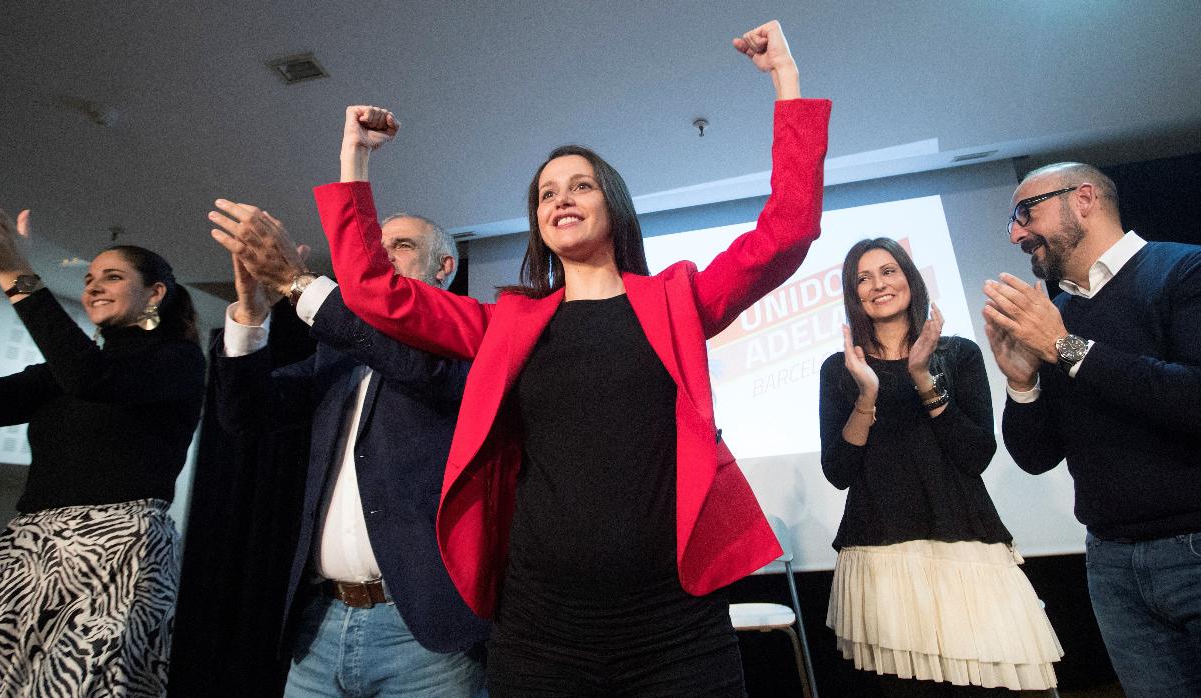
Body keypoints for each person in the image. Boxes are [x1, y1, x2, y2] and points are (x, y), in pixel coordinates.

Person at [215, 19, 826, 696]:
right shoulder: (508, 323)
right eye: (546, 192)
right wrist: (354, 160)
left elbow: (784, 234)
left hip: (673, 623)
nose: (562, 196)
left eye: (581, 185)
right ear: (538, 222)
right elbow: (374, 294)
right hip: (542, 629)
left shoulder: (678, 298)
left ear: (614, 207)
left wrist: (785, 80)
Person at [207, 202, 488, 696]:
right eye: (374, 250)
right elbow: (245, 415)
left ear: (444, 268)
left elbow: (414, 367)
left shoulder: (467, 340)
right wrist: (250, 315)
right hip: (320, 629)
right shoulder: (336, 356)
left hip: (423, 637)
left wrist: (298, 283)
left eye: (401, 246)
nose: (380, 259)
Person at [0, 197, 204, 697]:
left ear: (155, 293)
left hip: (117, 550)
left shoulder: (177, 361)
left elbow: (95, 378)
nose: (93, 285)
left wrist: (16, 273)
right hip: (29, 548)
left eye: (111, 276)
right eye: (89, 278)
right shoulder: (65, 372)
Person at [983, 162, 1201, 697]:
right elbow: (1036, 456)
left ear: (1084, 199)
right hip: (1111, 565)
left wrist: (1065, 349)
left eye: (1024, 213)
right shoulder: (1054, 313)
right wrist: (1022, 385)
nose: (1015, 233)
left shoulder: (1185, 270)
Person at [819, 238, 1062, 696]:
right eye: (863, 279)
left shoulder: (957, 354)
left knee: (993, 683)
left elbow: (975, 455)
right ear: (854, 295)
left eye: (888, 271)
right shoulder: (840, 368)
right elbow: (838, 471)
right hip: (879, 550)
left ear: (910, 278)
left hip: (965, 544)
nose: (877, 285)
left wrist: (921, 377)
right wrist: (867, 395)